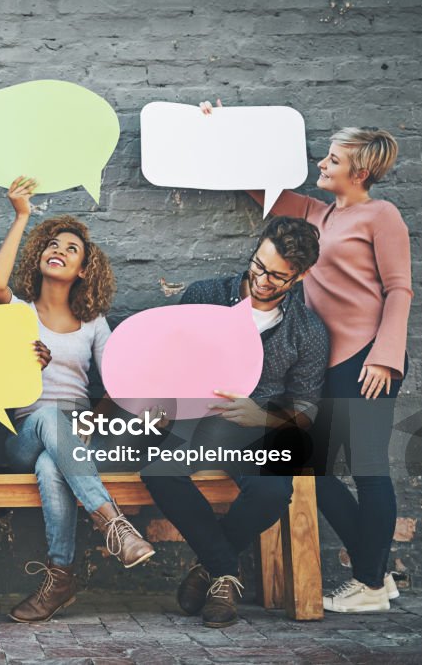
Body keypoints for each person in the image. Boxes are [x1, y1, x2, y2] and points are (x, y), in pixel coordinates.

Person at [203, 106, 410, 613]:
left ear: (359, 172)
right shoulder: (317, 214)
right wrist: (218, 124)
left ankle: (368, 585)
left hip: (365, 363)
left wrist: (386, 357)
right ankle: (376, 575)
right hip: (326, 363)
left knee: (367, 469)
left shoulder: (381, 216)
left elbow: (400, 288)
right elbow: (257, 186)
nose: (322, 162)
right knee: (312, 471)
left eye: (333, 159)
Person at [140, 216, 329, 628]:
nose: (263, 279)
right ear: (256, 249)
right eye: (259, 266)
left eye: (278, 276)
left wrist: (260, 415)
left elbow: (307, 407)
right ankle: (224, 571)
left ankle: (211, 571)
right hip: (195, 419)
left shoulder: (307, 329)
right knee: (160, 470)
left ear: (299, 276)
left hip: (258, 427)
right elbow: (163, 358)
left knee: (273, 491)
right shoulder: (205, 295)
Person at [0, 177, 154, 623]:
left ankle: (60, 576)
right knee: (46, 420)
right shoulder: (19, 312)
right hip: (24, 431)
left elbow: (121, 387)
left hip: (74, 435)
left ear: (84, 270)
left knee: (52, 463)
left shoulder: (94, 322)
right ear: (41, 254)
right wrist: (23, 215)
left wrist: (91, 421)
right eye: (53, 244)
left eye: (72, 248)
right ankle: (114, 526)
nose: (58, 249)